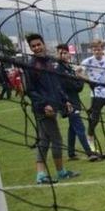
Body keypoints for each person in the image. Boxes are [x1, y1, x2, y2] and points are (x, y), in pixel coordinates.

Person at [23, 34, 79, 184]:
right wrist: (43, 105)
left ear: (44, 44)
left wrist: (65, 100)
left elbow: (57, 86)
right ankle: (60, 172)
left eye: (38, 44)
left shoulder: (49, 63)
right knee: (57, 139)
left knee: (44, 141)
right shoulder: (31, 65)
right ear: (30, 48)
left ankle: (41, 175)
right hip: (43, 109)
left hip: (53, 106)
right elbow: (30, 90)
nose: (36, 48)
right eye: (33, 46)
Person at [56, 43, 101, 162]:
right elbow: (75, 86)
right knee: (79, 127)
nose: (63, 55)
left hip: (74, 101)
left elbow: (77, 84)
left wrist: (81, 79)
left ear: (69, 54)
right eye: (60, 53)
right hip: (68, 103)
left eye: (65, 52)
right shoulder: (60, 70)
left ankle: (71, 153)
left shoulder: (69, 68)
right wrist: (79, 80)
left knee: (72, 128)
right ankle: (89, 153)